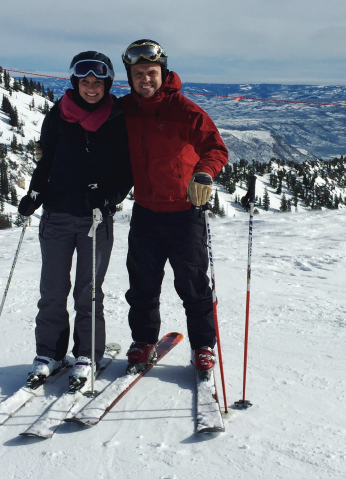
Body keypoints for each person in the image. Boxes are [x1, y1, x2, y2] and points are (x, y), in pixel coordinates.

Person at [18, 51, 132, 390]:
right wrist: (36, 192)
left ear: (107, 84)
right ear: (75, 82)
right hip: (56, 215)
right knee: (52, 291)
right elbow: (46, 159)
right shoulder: (58, 115)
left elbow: (126, 170)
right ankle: (50, 354)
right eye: (85, 82)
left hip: (96, 220)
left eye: (98, 82)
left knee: (88, 292)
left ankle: (87, 354)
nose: (92, 88)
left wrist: (109, 198)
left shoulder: (117, 118)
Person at [119, 39, 229, 376]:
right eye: (139, 74)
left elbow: (216, 148)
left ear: (162, 73)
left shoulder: (184, 110)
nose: (145, 79)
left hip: (184, 212)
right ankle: (143, 341)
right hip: (146, 213)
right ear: (131, 76)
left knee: (193, 285)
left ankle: (202, 347)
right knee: (142, 284)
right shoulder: (124, 111)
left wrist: (204, 173)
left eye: (151, 72)